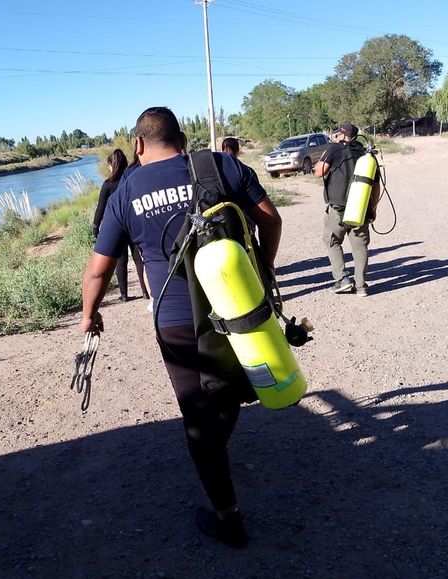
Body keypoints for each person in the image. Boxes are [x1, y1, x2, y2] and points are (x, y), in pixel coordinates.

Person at [80, 106, 282, 548]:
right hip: (239, 304)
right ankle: (217, 444)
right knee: (227, 393)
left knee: (198, 418)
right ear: (183, 140)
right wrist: (264, 268)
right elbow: (271, 218)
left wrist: (89, 315)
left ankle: (227, 518)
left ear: (138, 144)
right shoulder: (221, 164)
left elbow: (98, 270)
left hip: (176, 323)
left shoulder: (124, 190)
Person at [313, 122, 381, 297]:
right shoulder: (367, 154)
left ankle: (342, 280)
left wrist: (330, 148)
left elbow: (319, 172)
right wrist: (372, 208)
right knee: (360, 247)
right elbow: (376, 186)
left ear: (341, 135)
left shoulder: (334, 149)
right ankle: (361, 286)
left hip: (338, 208)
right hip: (361, 208)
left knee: (332, 241)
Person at [92, 149, 150, 302]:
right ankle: (145, 291)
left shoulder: (108, 184)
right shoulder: (132, 178)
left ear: (112, 165)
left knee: (121, 259)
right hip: (133, 221)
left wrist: (95, 226)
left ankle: (124, 294)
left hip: (117, 225)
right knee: (138, 257)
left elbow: (101, 207)